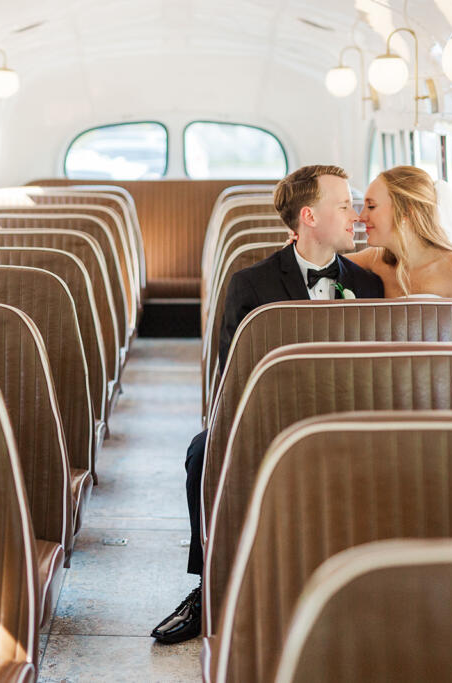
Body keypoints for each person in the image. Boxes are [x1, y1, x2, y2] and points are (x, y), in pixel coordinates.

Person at [151, 164, 384, 644]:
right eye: (344, 206)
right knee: (202, 452)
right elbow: (233, 376)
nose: (356, 216)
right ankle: (209, 585)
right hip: (272, 417)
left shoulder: (369, 284)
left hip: (349, 419)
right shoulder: (250, 284)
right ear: (309, 216)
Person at [348, 165, 452, 298]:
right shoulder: (375, 259)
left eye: (371, 206)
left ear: (406, 212)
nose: (361, 217)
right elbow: (334, 263)